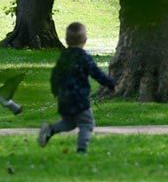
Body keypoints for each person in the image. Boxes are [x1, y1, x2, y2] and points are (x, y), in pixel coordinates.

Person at [38, 22, 115, 153]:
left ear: (67, 40)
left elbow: (55, 75)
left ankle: (50, 130)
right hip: (79, 98)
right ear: (85, 40)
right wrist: (110, 84)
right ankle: (81, 149)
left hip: (63, 97)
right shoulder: (84, 57)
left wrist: (55, 90)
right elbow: (96, 73)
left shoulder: (64, 57)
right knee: (87, 124)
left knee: (69, 123)